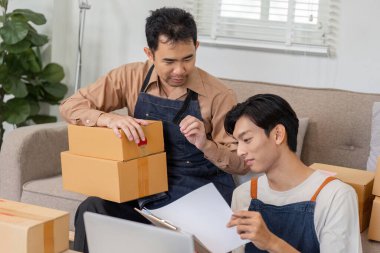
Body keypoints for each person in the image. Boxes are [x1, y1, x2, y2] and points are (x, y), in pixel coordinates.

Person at [60, 7, 248, 253]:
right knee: (91, 210)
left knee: (186, 241)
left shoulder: (219, 95)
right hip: (142, 189)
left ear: (197, 47)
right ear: (149, 53)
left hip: (198, 193)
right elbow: (70, 106)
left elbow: (241, 163)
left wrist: (206, 144)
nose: (179, 70)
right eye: (169, 61)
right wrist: (108, 119)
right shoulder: (130, 76)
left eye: (187, 59)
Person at [224, 94, 362, 253]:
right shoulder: (242, 195)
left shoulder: (335, 196)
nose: (240, 151)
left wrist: (271, 242)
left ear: (278, 134)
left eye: (247, 139)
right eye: (236, 143)